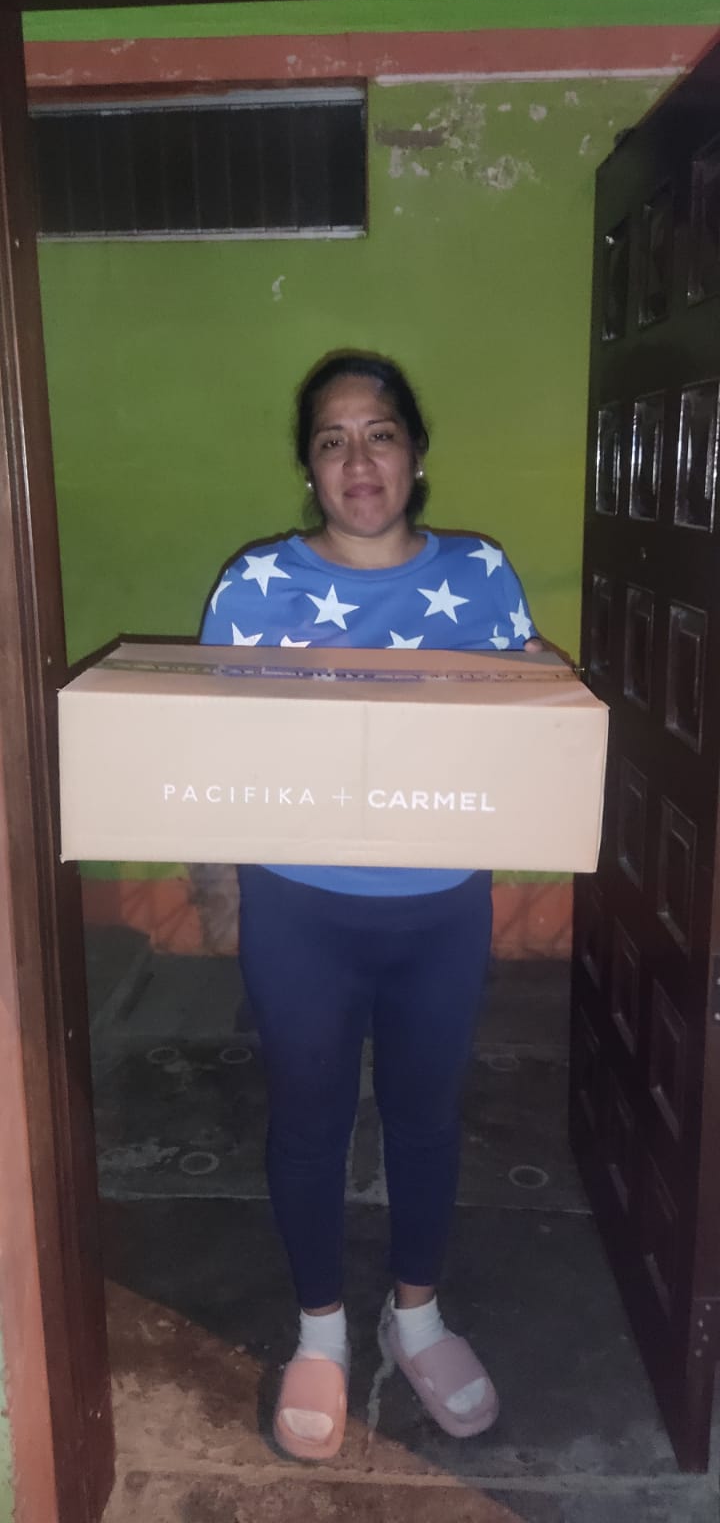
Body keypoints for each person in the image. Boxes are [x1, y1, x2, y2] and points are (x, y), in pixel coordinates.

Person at [200, 351, 541, 1462]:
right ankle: (320, 1332)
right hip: (299, 908)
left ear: (417, 454)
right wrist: (216, 885)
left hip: (441, 906)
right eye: (333, 439)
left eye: (380, 433)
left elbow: (529, 724)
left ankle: (417, 1318)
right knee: (308, 1116)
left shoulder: (482, 577)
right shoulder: (256, 587)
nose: (359, 459)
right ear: (309, 466)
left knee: (426, 1113)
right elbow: (206, 752)